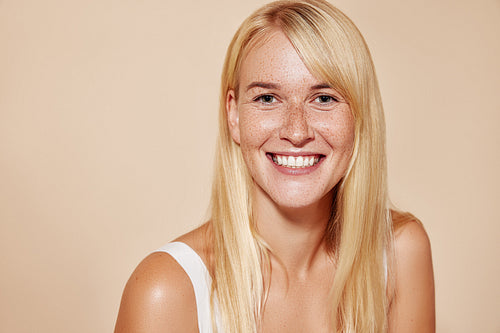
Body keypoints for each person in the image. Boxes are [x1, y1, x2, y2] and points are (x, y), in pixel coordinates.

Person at [114, 0, 435, 332]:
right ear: (234, 115)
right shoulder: (165, 292)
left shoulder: (401, 253)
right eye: (267, 98)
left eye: (324, 98)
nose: (296, 132)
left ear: (359, 115)